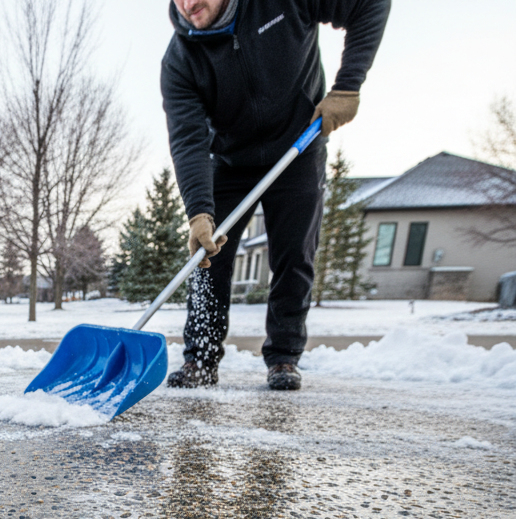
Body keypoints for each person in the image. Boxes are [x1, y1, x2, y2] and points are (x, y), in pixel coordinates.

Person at [161, 0, 389, 390]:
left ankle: (283, 357)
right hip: (230, 160)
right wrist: (199, 211)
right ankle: (200, 358)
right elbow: (188, 141)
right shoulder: (180, 60)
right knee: (206, 257)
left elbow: (370, 5)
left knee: (294, 254)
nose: (189, 5)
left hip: (297, 147)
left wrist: (348, 85)